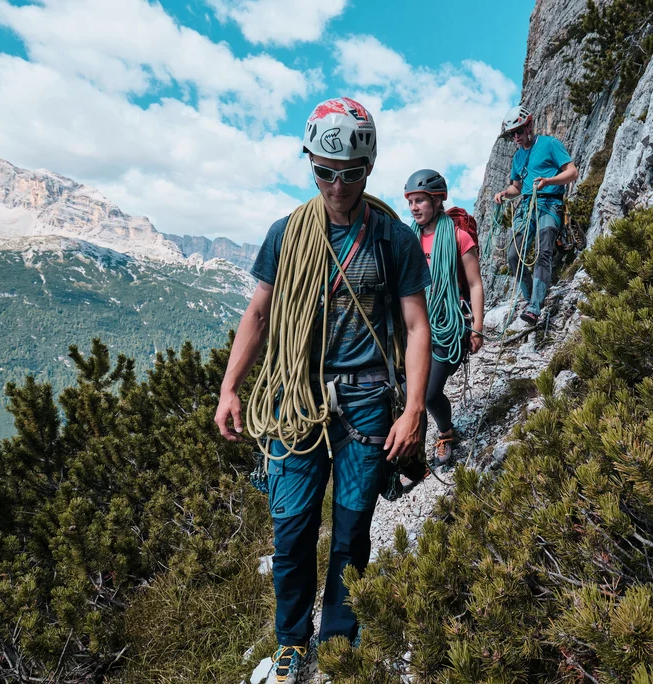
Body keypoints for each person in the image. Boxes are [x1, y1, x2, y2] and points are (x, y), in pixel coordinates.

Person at [214, 97, 431, 684]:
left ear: (369, 168)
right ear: (310, 164)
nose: (337, 186)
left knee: (354, 524)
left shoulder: (392, 239)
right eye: (325, 172)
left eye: (351, 173)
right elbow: (258, 315)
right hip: (296, 395)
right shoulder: (286, 235)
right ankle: (291, 639)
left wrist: (413, 410)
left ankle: (337, 637)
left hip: (365, 399)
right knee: (291, 529)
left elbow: (416, 327)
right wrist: (231, 388)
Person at [403, 169, 485, 470]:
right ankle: (415, 455)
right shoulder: (408, 237)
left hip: (449, 324)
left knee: (428, 392)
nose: (414, 207)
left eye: (420, 200)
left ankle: (446, 433)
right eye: (411, 201)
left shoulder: (457, 236)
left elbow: (475, 284)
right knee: (410, 389)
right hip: (418, 325)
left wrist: (477, 328)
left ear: (437, 200)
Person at [492, 105, 578, 325]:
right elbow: (517, 188)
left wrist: (549, 181)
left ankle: (535, 306)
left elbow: (572, 172)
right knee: (513, 255)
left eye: (519, 131)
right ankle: (531, 298)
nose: (516, 137)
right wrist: (504, 193)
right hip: (526, 206)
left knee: (543, 250)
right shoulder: (517, 158)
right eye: (512, 134)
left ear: (529, 125)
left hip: (550, 203)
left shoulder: (550, 144)